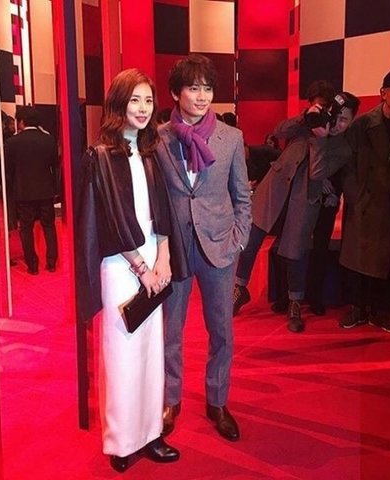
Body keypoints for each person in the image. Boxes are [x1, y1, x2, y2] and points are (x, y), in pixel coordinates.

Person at [75, 68, 180, 473]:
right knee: (122, 352)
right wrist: (142, 268)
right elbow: (110, 219)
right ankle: (121, 440)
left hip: (153, 257)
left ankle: (151, 433)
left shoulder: (150, 152)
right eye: (135, 100)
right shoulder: (100, 155)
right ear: (119, 103)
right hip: (121, 264)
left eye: (148, 100)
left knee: (152, 350)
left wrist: (164, 257)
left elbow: (163, 211)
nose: (143, 108)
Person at [156, 54, 252, 441]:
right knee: (170, 331)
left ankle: (217, 400)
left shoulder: (231, 138)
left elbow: (242, 195)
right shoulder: (158, 138)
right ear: (175, 93)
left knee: (222, 330)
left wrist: (238, 238)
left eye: (207, 88)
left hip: (220, 247)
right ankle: (171, 399)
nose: (201, 96)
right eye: (193, 88)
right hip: (175, 250)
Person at [233, 92, 360, 333]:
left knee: (295, 253)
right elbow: (279, 131)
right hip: (273, 192)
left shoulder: (342, 148)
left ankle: (295, 303)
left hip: (303, 201)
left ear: (352, 122)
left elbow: (317, 172)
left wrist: (320, 139)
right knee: (249, 243)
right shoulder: (308, 125)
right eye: (337, 117)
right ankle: (239, 289)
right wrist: (305, 117)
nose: (338, 124)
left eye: (345, 120)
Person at [338, 70, 390, 334]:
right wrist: (356, 196)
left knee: (387, 262)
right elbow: (347, 165)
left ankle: (378, 311)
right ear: (383, 93)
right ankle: (357, 308)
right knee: (361, 260)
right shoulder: (362, 125)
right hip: (367, 204)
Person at [5, 106, 58, 274]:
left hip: (23, 192)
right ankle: (51, 262)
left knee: (26, 229)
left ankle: (32, 265)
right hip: (46, 191)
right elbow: (55, 166)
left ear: (21, 121)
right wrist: (55, 188)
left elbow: (8, 171)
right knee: (49, 226)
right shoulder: (48, 139)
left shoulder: (12, 142)